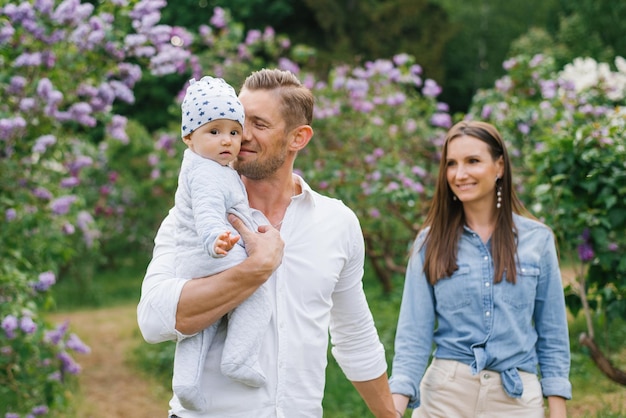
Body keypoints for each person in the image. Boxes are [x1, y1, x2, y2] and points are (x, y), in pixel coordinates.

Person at [137, 68, 397, 418]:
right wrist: (254, 269)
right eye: (238, 120)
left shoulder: (337, 223)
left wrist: (390, 415)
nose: (240, 135)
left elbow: (354, 335)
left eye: (258, 124)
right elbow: (153, 321)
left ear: (298, 138)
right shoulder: (194, 216)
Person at [389, 120, 571, 418]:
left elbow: (553, 333)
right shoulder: (429, 242)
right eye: (451, 164)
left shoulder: (537, 240)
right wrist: (393, 408)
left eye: (472, 161)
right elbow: (413, 335)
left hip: (516, 400)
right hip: (444, 397)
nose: (460, 174)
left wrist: (558, 410)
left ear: (499, 167)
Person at [171, 76, 271, 411]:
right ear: (189, 137)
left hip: (192, 262)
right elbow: (208, 211)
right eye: (213, 132)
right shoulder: (208, 173)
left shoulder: (207, 165)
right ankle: (238, 359)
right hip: (214, 252)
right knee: (257, 296)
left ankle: (185, 383)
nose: (226, 140)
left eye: (232, 131)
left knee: (200, 324)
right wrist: (217, 238)